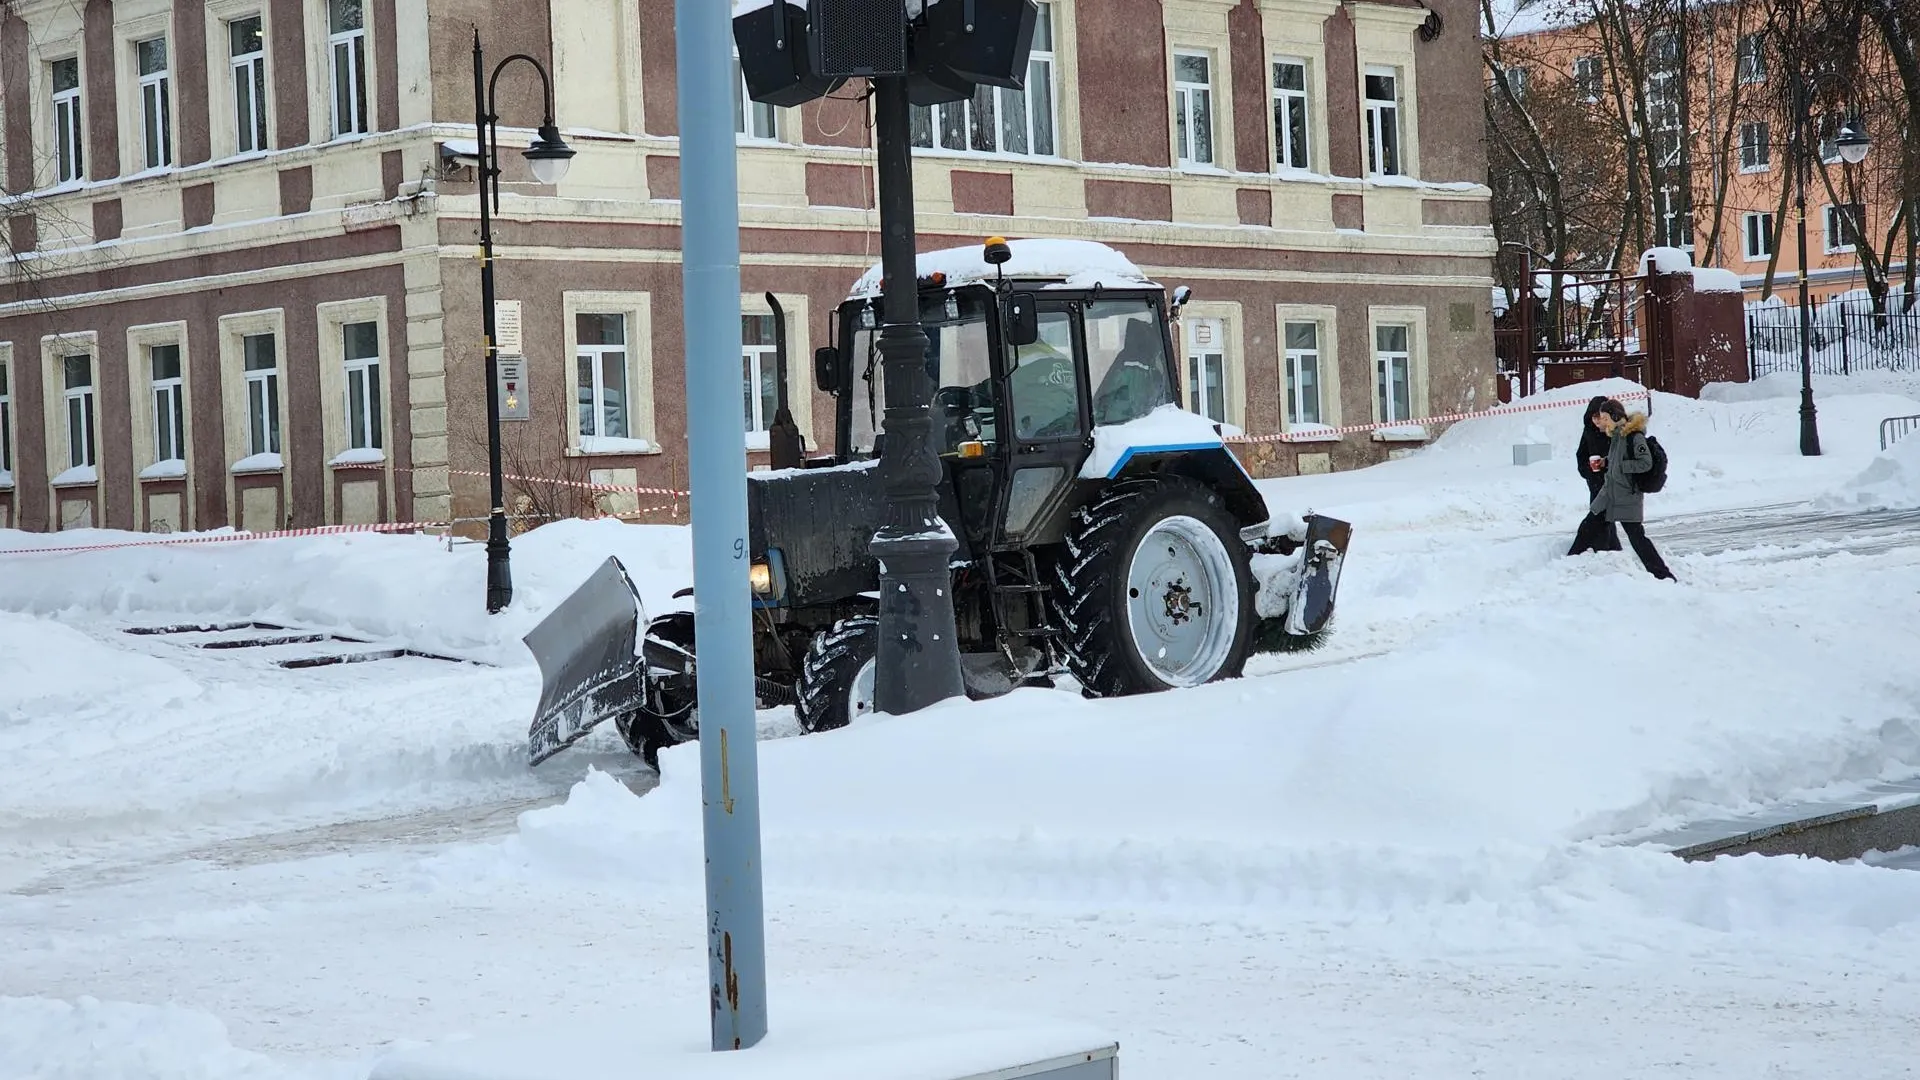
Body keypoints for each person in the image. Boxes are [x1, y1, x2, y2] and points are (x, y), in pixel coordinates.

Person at [1579, 399, 1675, 580]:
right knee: (1588, 526)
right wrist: (1606, 462)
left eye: (1606, 418)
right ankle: (1570, 560)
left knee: (1638, 539)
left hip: (1626, 496)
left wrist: (1620, 466)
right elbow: (1618, 460)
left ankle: (1663, 575)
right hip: (1611, 494)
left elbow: (1645, 463)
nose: (1604, 421)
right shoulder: (1616, 436)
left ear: (1615, 417)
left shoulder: (1633, 436)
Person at [1566, 395, 1622, 554]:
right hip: (1595, 481)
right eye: (1594, 417)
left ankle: (1584, 550)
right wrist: (1587, 471)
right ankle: (1611, 549)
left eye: (1600, 417)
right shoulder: (1589, 431)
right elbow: (1581, 454)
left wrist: (1608, 465)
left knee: (1598, 515)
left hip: (1612, 480)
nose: (1597, 421)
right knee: (1603, 516)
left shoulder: (1615, 432)